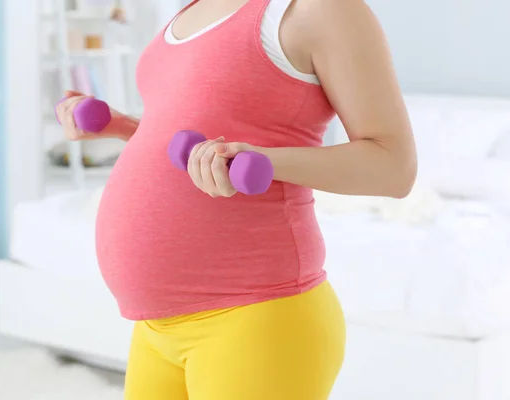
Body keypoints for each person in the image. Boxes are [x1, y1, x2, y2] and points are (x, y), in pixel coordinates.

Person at [56, 0, 417, 398]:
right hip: (156, 328)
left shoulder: (319, 10)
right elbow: (196, 136)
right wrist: (123, 127)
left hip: (258, 317)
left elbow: (394, 167)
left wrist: (262, 161)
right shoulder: (192, 9)